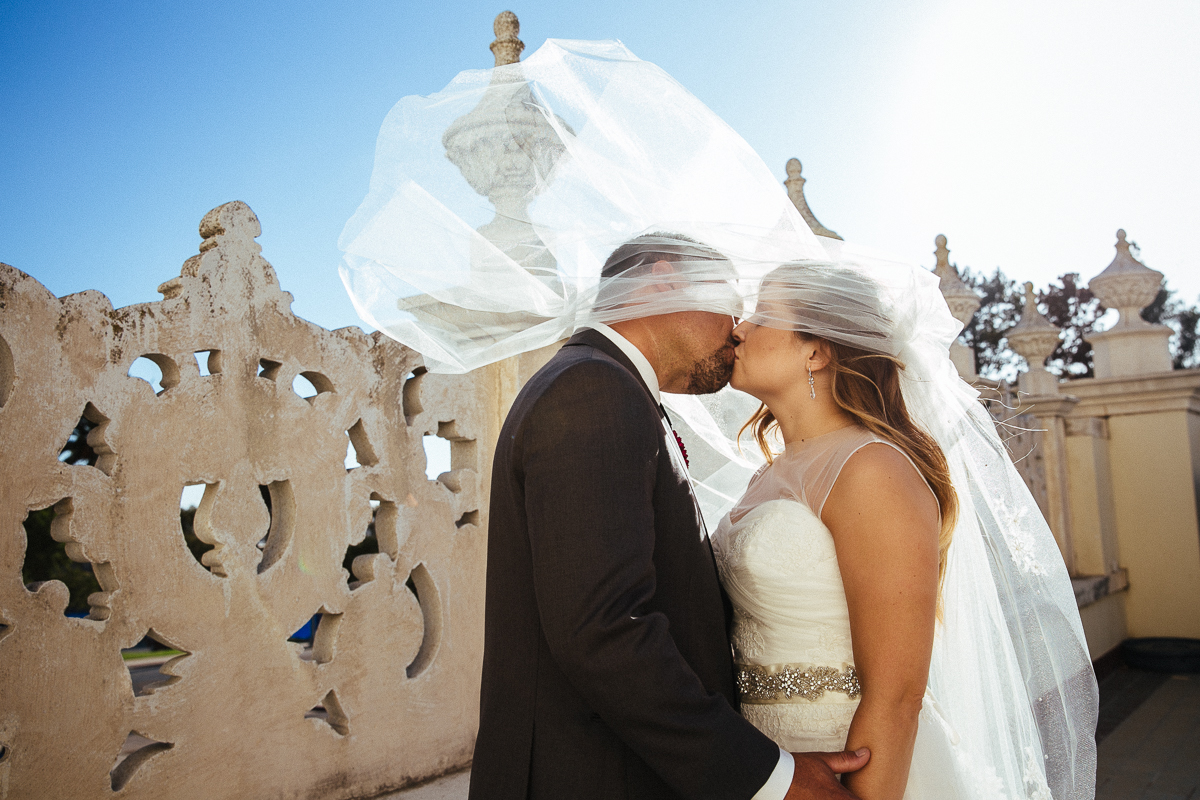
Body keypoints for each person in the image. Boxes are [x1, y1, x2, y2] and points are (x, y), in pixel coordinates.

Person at [468, 235, 870, 800]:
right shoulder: (594, 390)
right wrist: (771, 777)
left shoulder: (602, 383)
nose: (736, 329)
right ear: (662, 282)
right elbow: (605, 631)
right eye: (729, 303)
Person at [710, 261, 1098, 799]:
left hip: (859, 766)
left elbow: (895, 696)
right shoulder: (771, 470)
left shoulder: (872, 468)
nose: (738, 328)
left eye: (762, 315)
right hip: (770, 763)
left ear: (817, 350)